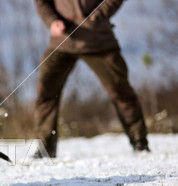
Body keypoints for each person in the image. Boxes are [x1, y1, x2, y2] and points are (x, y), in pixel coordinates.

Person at [34, 0, 150, 158]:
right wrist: (52, 21)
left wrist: (96, 15)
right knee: (45, 93)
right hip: (61, 42)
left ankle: (139, 143)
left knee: (121, 92)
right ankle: (45, 149)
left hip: (99, 41)